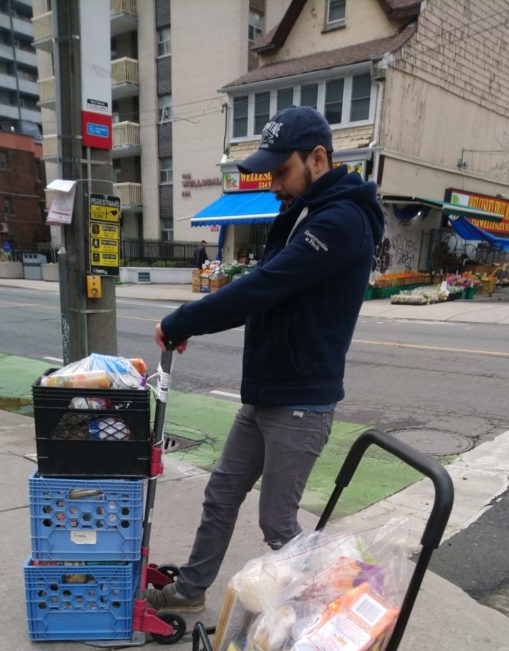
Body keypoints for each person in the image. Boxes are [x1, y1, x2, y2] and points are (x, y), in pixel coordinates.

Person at [147, 105, 384, 614]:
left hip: (300, 403)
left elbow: (264, 288)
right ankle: (189, 592)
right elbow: (266, 286)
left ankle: (341, 611)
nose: (275, 183)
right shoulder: (306, 210)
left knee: (278, 524)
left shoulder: (341, 221)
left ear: (317, 158)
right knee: (221, 495)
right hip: (264, 395)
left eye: (281, 171)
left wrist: (183, 320)